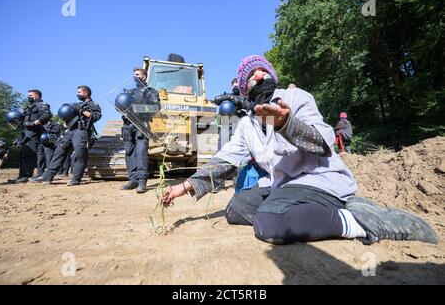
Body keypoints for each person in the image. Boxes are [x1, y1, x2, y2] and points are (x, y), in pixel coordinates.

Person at [160, 55, 438, 246]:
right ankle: (321, 209)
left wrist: (287, 123)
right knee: (236, 208)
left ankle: (360, 221)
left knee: (270, 223)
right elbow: (225, 160)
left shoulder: (296, 98)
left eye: (263, 72)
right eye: (251, 76)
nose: (259, 76)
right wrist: (183, 187)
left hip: (317, 178)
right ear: (245, 89)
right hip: (283, 185)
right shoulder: (247, 125)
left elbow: (322, 143)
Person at [31, 86, 102, 186]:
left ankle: (76, 179)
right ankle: (47, 177)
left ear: (86, 93)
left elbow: (96, 116)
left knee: (79, 154)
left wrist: (82, 111)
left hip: (82, 131)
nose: (77, 94)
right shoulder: (77, 104)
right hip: (70, 130)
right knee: (59, 151)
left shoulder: (92, 104)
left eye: (79, 92)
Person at [120, 68, 160, 193]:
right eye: (134, 74)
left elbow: (156, 107)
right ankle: (133, 180)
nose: (134, 76)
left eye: (137, 74)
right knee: (129, 153)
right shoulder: (129, 92)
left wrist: (136, 108)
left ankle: (142, 182)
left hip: (141, 125)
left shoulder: (150, 91)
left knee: (141, 152)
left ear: (144, 77)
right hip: (128, 125)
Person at [8, 89, 52, 183]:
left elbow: (47, 114)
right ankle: (21, 175)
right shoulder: (29, 107)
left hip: (33, 133)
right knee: (23, 153)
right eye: (28, 95)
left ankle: (26, 175)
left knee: (28, 154)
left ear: (37, 96)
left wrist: (35, 123)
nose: (28, 97)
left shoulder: (41, 105)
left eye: (31, 95)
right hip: (25, 132)